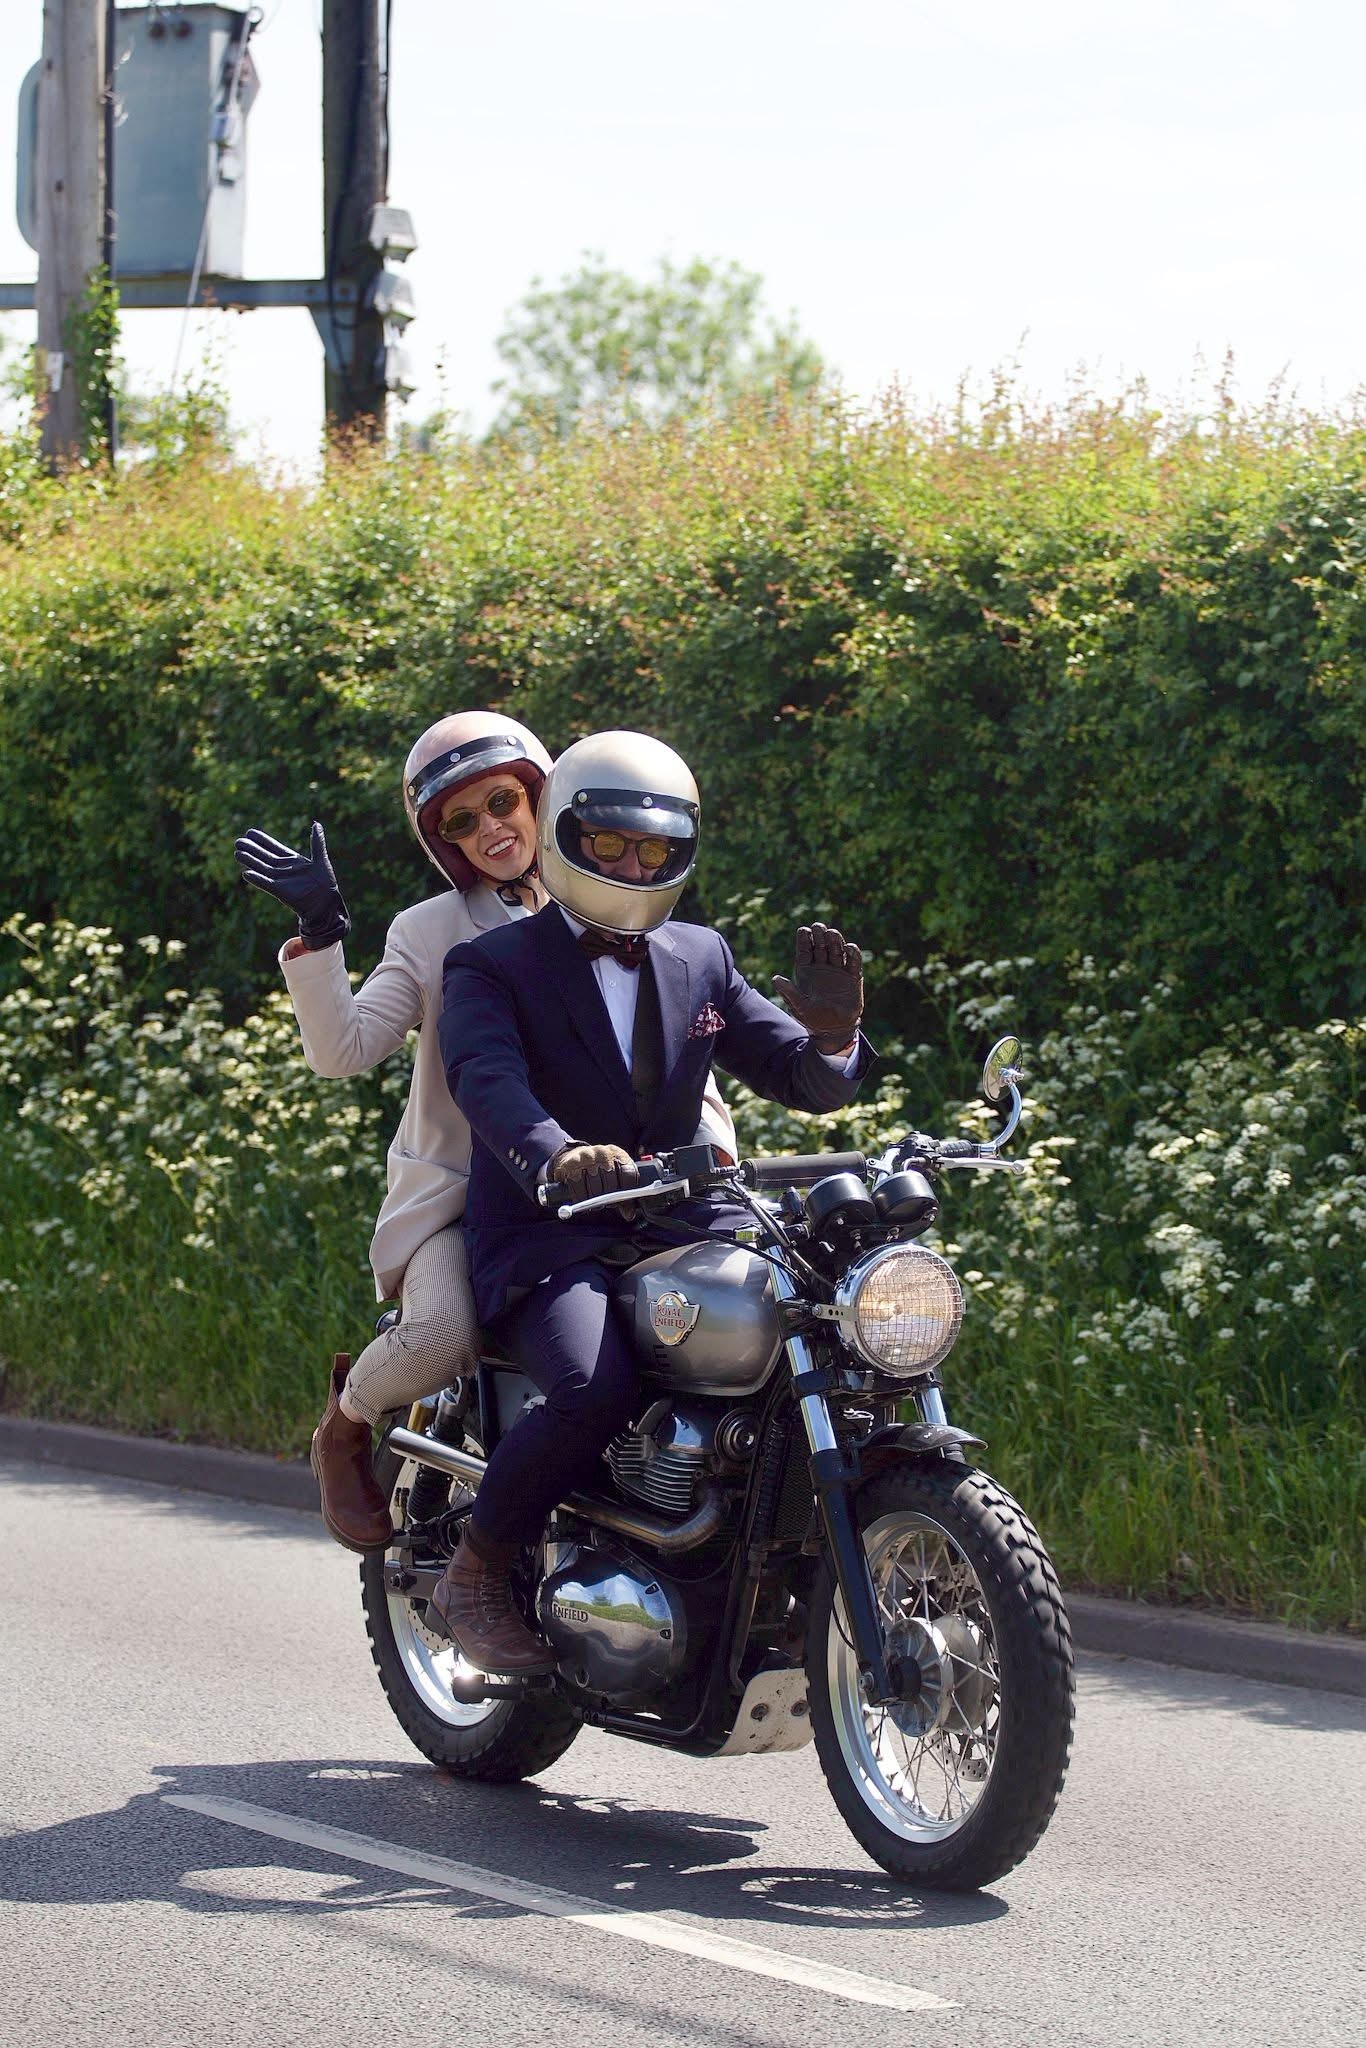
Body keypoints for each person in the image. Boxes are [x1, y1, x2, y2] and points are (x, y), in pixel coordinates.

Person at [233, 711, 742, 1555]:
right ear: (442, 844)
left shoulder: (621, 892)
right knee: (440, 1335)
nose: (490, 829)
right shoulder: (430, 930)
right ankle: (348, 1420)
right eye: (461, 822)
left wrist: (716, 1157)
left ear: (548, 796)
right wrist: (322, 936)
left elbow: (675, 1051)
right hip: (476, 1200)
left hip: (631, 1188)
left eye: (503, 801)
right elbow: (343, 1050)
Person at [435, 729, 872, 1674]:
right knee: (594, 1388)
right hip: (553, 1233)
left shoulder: (700, 954)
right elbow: (484, 1078)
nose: (635, 866)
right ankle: (476, 1571)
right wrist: (558, 1156)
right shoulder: (493, 964)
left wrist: (833, 1040)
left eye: (656, 849)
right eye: (611, 844)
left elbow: (793, 1073)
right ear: (566, 833)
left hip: (683, 1220)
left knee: (827, 1324)